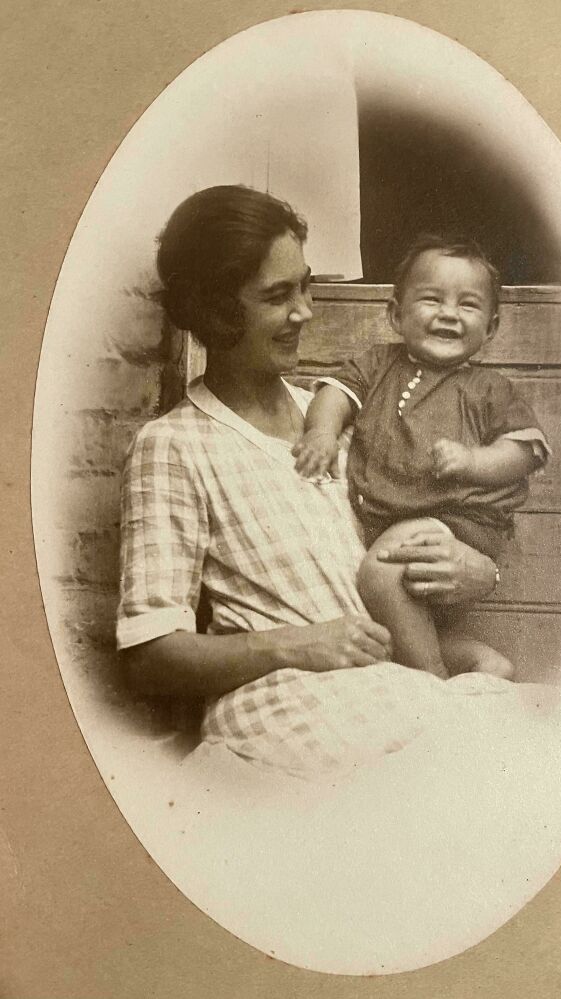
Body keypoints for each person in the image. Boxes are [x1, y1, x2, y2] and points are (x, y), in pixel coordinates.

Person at [117, 188, 501, 737]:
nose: (306, 310)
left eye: (306, 284)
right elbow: (149, 658)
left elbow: (442, 521)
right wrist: (295, 644)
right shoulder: (174, 446)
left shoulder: (339, 411)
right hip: (292, 707)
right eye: (277, 296)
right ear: (217, 310)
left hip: (393, 687)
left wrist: (479, 571)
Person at [293, 234, 551, 680]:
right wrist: (321, 431)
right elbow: (335, 394)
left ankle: (431, 683)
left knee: (382, 574)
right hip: (391, 518)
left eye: (468, 305)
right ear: (396, 314)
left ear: (490, 328)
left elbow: (524, 451)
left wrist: (474, 461)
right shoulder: (378, 365)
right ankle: (479, 664)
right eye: (432, 300)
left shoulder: (490, 390)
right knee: (397, 615)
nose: (449, 313)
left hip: (455, 519)